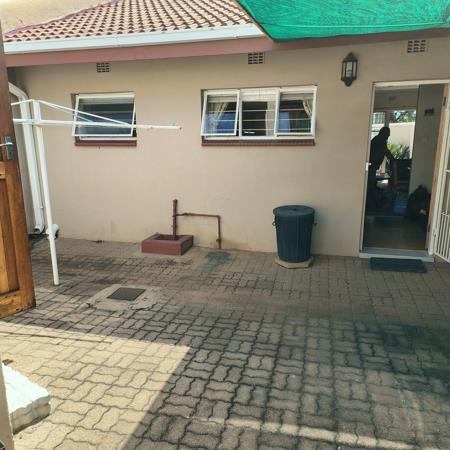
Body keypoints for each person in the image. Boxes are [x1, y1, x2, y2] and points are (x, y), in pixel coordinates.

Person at [367, 126, 393, 208]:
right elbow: (386, 151)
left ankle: (371, 203)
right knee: (370, 184)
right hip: (371, 165)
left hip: (373, 165)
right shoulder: (379, 140)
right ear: (384, 133)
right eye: (388, 134)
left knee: (371, 183)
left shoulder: (379, 139)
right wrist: (393, 159)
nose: (389, 135)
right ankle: (370, 204)